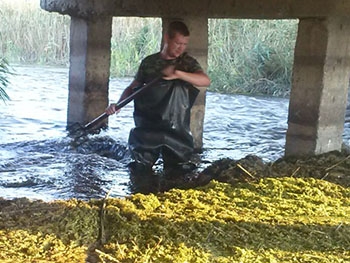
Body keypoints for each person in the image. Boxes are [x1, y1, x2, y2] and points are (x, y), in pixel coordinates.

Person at [106, 20, 210, 174]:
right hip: (148, 125)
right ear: (167, 38)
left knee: (178, 170)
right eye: (177, 43)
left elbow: (205, 81)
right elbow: (133, 88)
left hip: (176, 127)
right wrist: (118, 105)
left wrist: (177, 74)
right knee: (140, 168)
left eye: (184, 44)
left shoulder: (186, 63)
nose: (180, 48)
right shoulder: (149, 62)